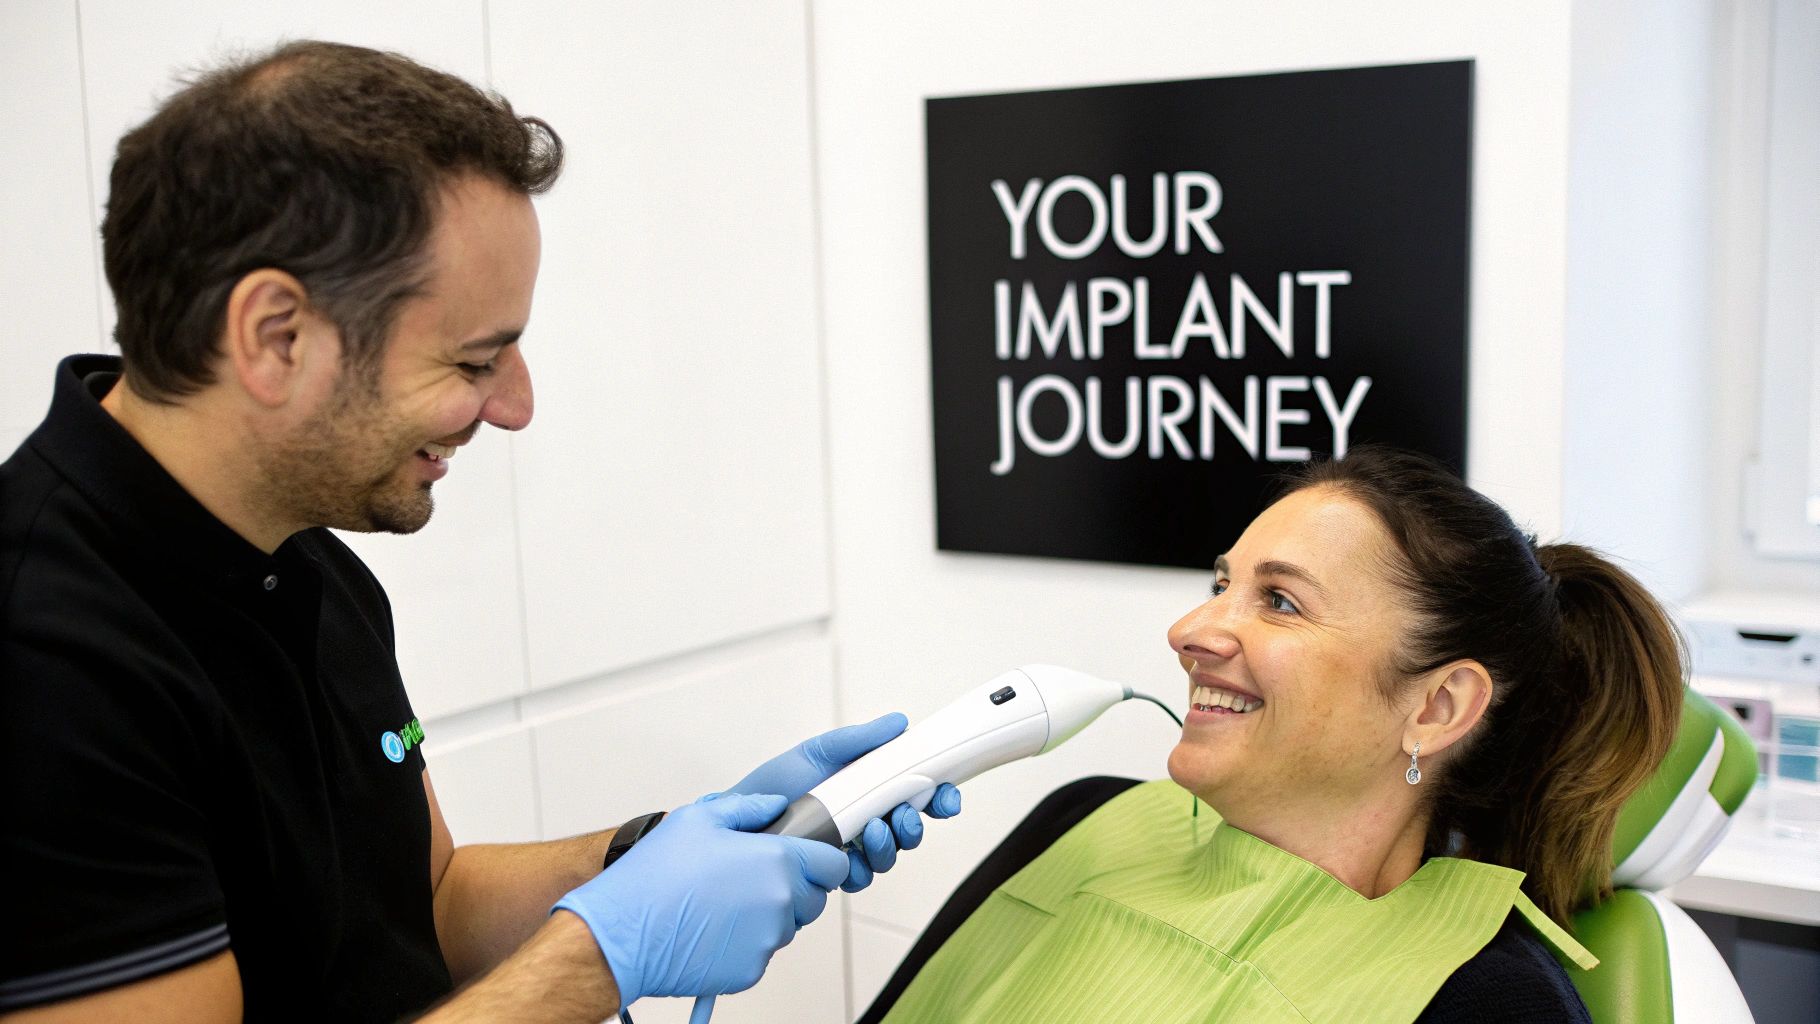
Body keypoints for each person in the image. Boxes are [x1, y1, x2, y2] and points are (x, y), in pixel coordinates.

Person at [0, 41, 958, 1022]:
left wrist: (660, 853)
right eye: (474, 360)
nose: (514, 406)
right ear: (276, 335)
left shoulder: (305, 560)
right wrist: (605, 952)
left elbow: (430, 902)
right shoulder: (45, 657)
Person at [874, 446, 1684, 1024]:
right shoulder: (1080, 820)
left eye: (1280, 602)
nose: (1190, 630)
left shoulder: (1483, 1002)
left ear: (1437, 708)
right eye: (1221, 583)